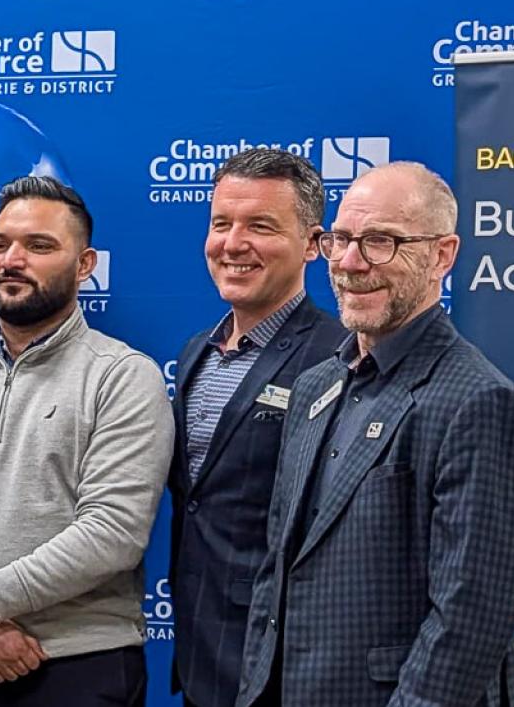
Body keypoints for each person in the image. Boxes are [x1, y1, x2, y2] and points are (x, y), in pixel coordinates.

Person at [236, 163, 514, 707]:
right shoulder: (314, 387)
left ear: (443, 256)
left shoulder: (478, 401)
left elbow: (472, 618)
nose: (351, 263)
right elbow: (277, 572)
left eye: (381, 242)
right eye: (342, 239)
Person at [0, 176, 173, 706]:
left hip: (76, 663)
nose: (13, 259)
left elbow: (113, 531)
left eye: (39, 246)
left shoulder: (122, 376)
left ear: (86, 264)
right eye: (1, 244)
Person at [163, 150, 343, 707]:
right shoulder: (198, 352)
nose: (233, 244)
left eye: (260, 226)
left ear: (314, 245)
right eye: (222, 224)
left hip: (284, 666)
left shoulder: (337, 356)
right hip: (199, 652)